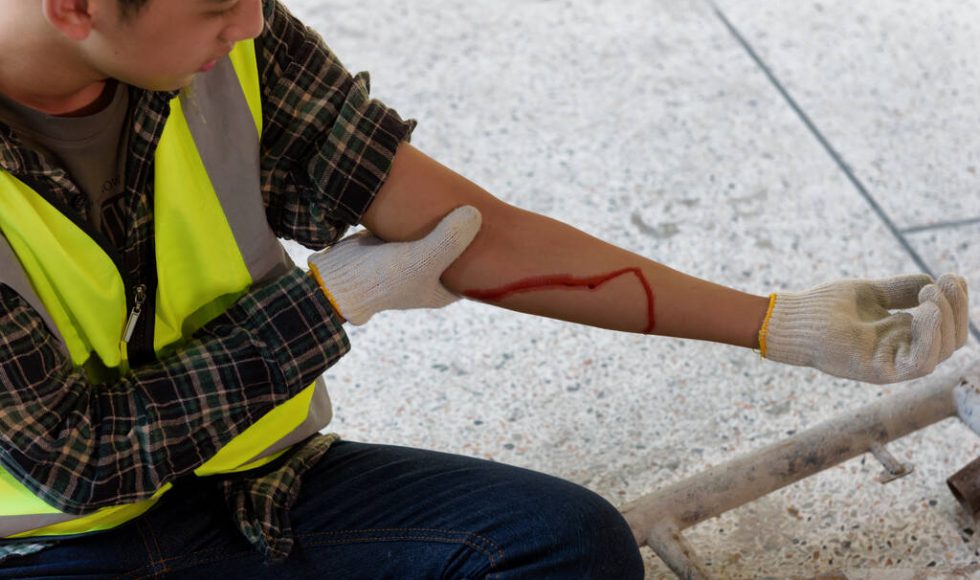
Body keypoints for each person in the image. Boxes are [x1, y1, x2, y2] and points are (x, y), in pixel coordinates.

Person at [0, 0, 968, 578]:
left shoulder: (231, 44)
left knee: (561, 548)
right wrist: (324, 304)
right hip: (51, 551)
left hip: (259, 493)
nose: (253, 22)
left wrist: (776, 324)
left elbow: (470, 234)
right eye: (215, 8)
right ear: (76, 6)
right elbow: (82, 460)